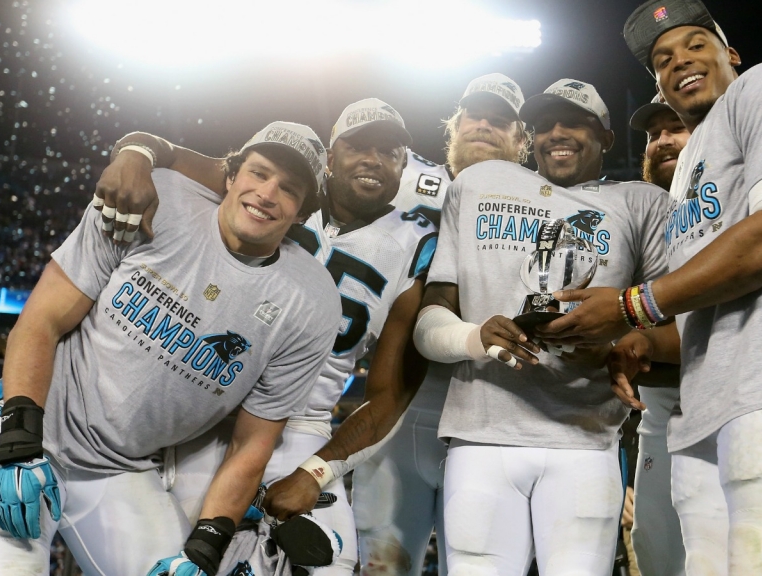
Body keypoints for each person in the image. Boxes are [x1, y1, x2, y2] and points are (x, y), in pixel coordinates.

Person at [538, 1, 762, 573]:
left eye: (694, 44)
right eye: (662, 59)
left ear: (731, 54)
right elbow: (699, 316)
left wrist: (631, 307)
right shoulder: (690, 165)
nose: (678, 60)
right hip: (708, 404)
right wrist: (633, 345)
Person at [0, 122, 342, 576]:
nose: (266, 193)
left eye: (288, 188)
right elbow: (41, 320)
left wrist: (205, 547)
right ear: (231, 175)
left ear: (301, 213)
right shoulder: (155, 200)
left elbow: (252, 442)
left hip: (122, 468)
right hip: (33, 430)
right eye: (258, 173)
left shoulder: (312, 303)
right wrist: (20, 444)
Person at [95, 98, 437, 575]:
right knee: (176, 558)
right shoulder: (275, 188)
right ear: (330, 157)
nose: (374, 160)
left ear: (405, 165)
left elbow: (392, 391)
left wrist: (317, 473)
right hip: (210, 405)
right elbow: (161, 151)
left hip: (301, 428)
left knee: (334, 566)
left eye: (390, 151)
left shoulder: (418, 241)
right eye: (358, 146)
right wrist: (132, 154)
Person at [412, 78, 669, 575]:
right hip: (481, 437)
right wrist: (475, 336)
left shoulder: (640, 203)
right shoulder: (480, 182)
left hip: (587, 439)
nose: (557, 133)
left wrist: (624, 337)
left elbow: (670, 315)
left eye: (575, 122)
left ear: (607, 138)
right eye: (546, 124)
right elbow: (429, 320)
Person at [350, 73, 530, 576]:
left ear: (523, 141)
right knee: (381, 568)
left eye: (500, 120)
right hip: (398, 405)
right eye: (473, 115)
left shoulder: (546, 201)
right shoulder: (400, 175)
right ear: (452, 128)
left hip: (494, 413)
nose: (484, 126)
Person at [625, 95, 689, 576]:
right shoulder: (636, 212)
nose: (662, 140)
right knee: (657, 557)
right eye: (653, 134)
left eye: (676, 127)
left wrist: (640, 338)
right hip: (655, 411)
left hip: (727, 402)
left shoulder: (743, 192)